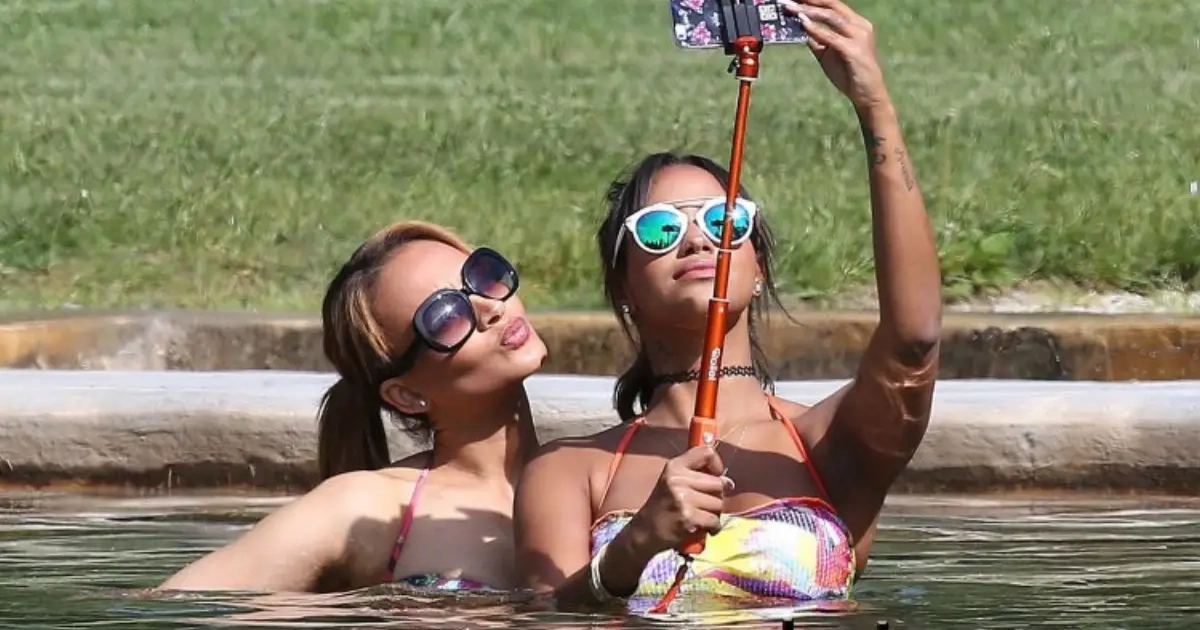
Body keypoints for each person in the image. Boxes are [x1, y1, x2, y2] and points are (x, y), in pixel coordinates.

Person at [514, 0, 941, 613]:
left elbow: (914, 341)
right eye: (659, 230)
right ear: (622, 289)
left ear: (758, 267)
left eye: (723, 221)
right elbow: (544, 618)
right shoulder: (570, 470)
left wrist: (874, 106)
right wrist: (633, 548)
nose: (697, 240)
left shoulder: (827, 444)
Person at [159, 220, 548, 593]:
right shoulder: (371, 507)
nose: (490, 307)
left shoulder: (581, 474)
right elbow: (177, 607)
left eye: (484, 276)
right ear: (405, 395)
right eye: (446, 318)